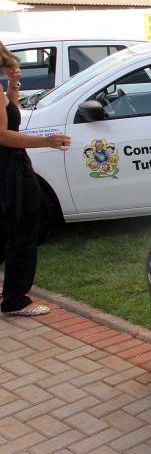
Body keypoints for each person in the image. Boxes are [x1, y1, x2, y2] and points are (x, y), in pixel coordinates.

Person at [0, 41, 70, 317]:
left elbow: (11, 119)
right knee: (24, 226)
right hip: (9, 167)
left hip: (12, 164)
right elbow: (4, 135)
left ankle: (13, 294)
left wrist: (12, 88)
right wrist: (46, 141)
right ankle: (15, 299)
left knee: (7, 226)